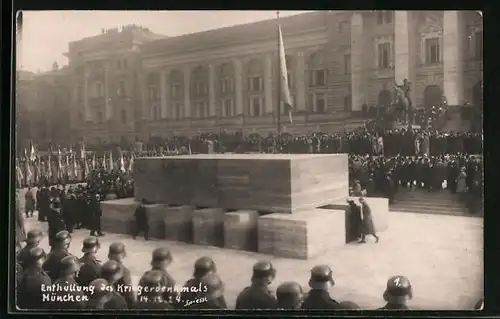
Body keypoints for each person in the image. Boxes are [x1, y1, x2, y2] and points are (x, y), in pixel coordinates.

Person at [107, 242, 136, 307]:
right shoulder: (125, 271)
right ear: (123, 255)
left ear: (109, 255)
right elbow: (129, 292)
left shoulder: (104, 267)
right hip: (119, 303)